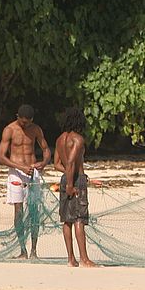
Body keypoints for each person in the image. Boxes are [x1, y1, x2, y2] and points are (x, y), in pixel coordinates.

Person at [0, 103, 51, 259]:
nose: (25, 125)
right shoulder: (9, 130)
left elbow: (46, 149)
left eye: (28, 122)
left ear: (32, 120)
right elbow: (1, 157)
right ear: (17, 117)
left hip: (33, 171)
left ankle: (34, 250)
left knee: (34, 211)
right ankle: (23, 249)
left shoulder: (36, 129)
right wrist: (19, 166)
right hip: (16, 173)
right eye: (22, 122)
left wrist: (44, 162)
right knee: (18, 211)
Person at [53, 107, 96, 267]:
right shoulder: (77, 139)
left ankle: (71, 259)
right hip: (75, 181)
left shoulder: (59, 139)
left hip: (65, 178)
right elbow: (71, 162)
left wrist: (67, 179)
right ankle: (84, 259)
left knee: (66, 220)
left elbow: (57, 164)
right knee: (79, 218)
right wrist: (72, 183)